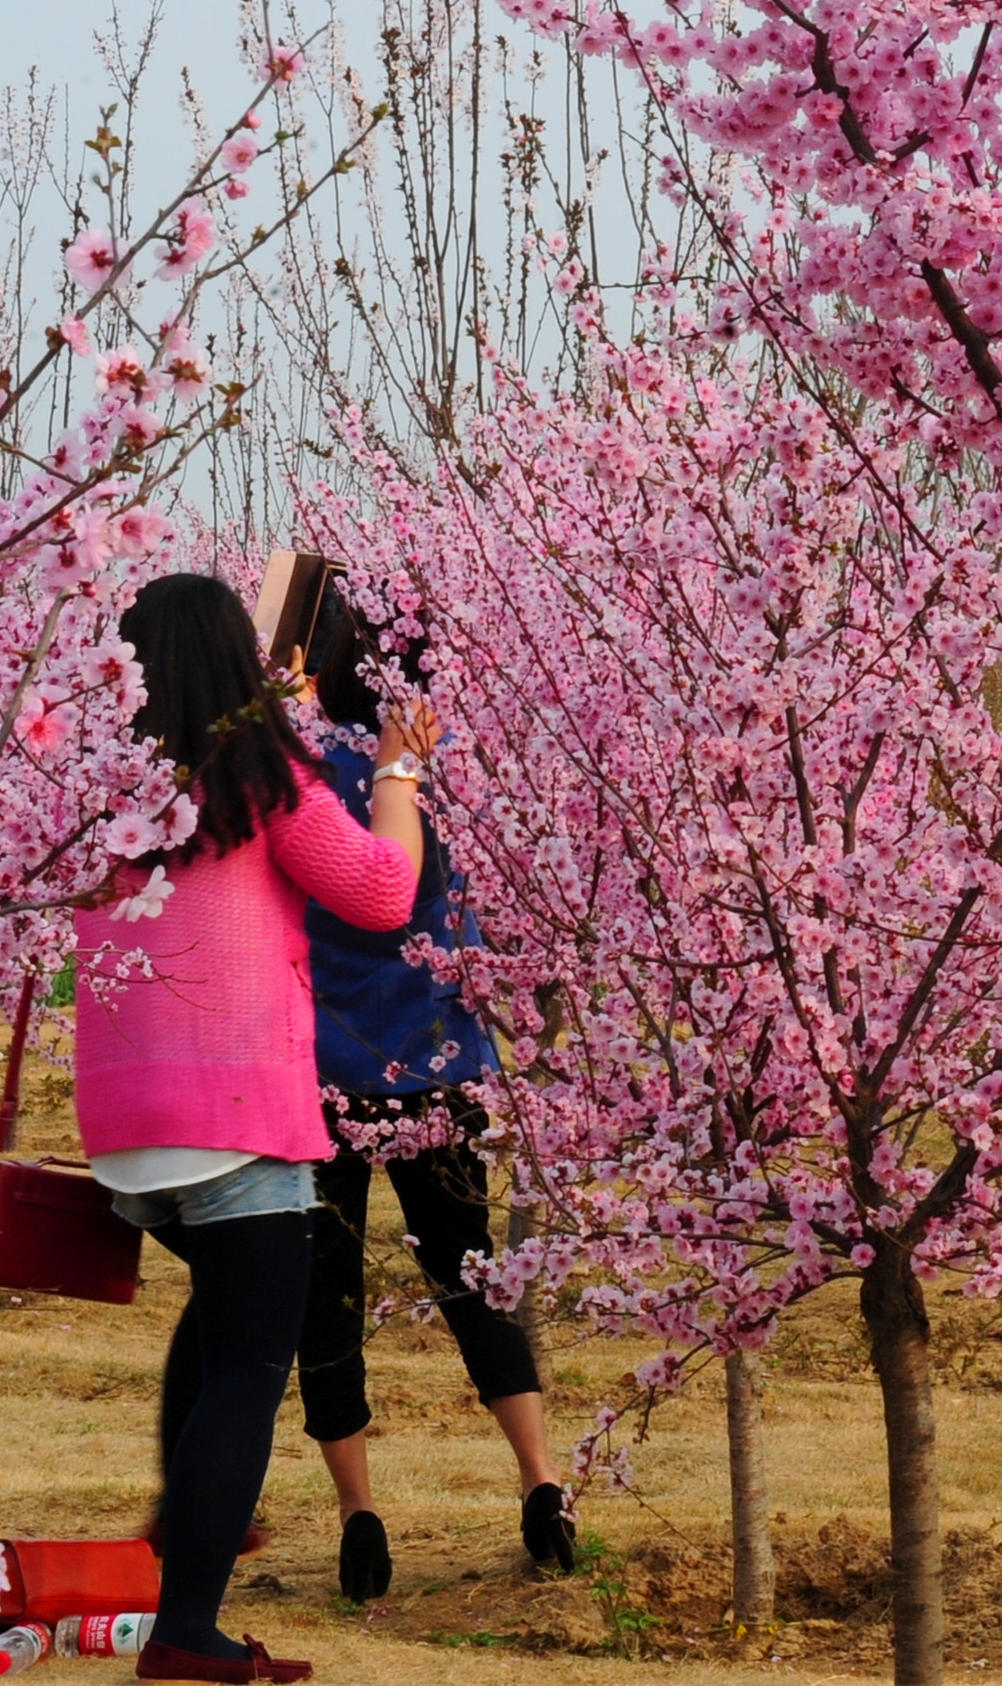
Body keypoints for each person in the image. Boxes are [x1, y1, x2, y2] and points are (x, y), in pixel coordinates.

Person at [73, 573, 425, 1686]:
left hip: (126, 1136)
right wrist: (400, 768)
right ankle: (188, 1629)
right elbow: (378, 893)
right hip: (234, 1125)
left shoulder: (94, 785)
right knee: (249, 1368)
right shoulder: (259, 773)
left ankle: (187, 1533)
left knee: (223, 1315)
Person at [290, 580, 570, 1598]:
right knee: (471, 1274)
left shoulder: (299, 777)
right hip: (437, 1063)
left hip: (317, 1070)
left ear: (325, 675)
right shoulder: (460, 781)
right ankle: (541, 1480)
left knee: (325, 1297)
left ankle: (360, 1516)